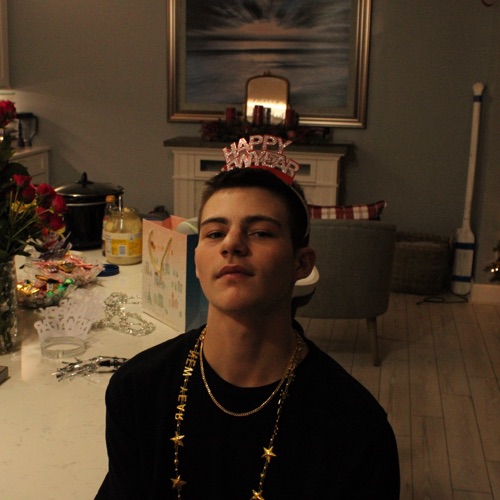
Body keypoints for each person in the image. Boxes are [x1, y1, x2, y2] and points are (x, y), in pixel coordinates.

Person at [96, 135, 400, 499]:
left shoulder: (355, 428)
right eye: (215, 233)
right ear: (196, 262)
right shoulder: (137, 391)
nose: (232, 244)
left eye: (260, 232)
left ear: (301, 263)